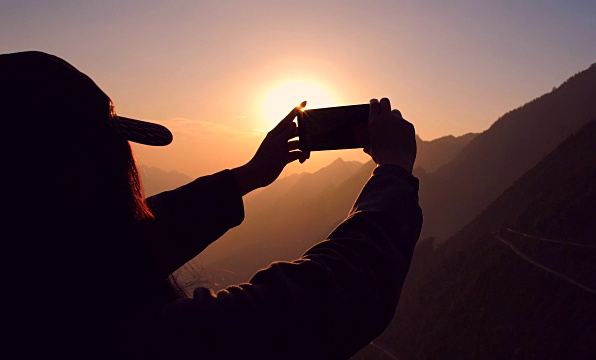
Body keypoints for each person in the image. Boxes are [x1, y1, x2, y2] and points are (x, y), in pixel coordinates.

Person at [1, 50, 422, 359]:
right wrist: (394, 170)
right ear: (79, 182)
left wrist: (250, 175)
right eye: (117, 155)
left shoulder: (38, 283)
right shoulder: (135, 340)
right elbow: (327, 297)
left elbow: (127, 245)